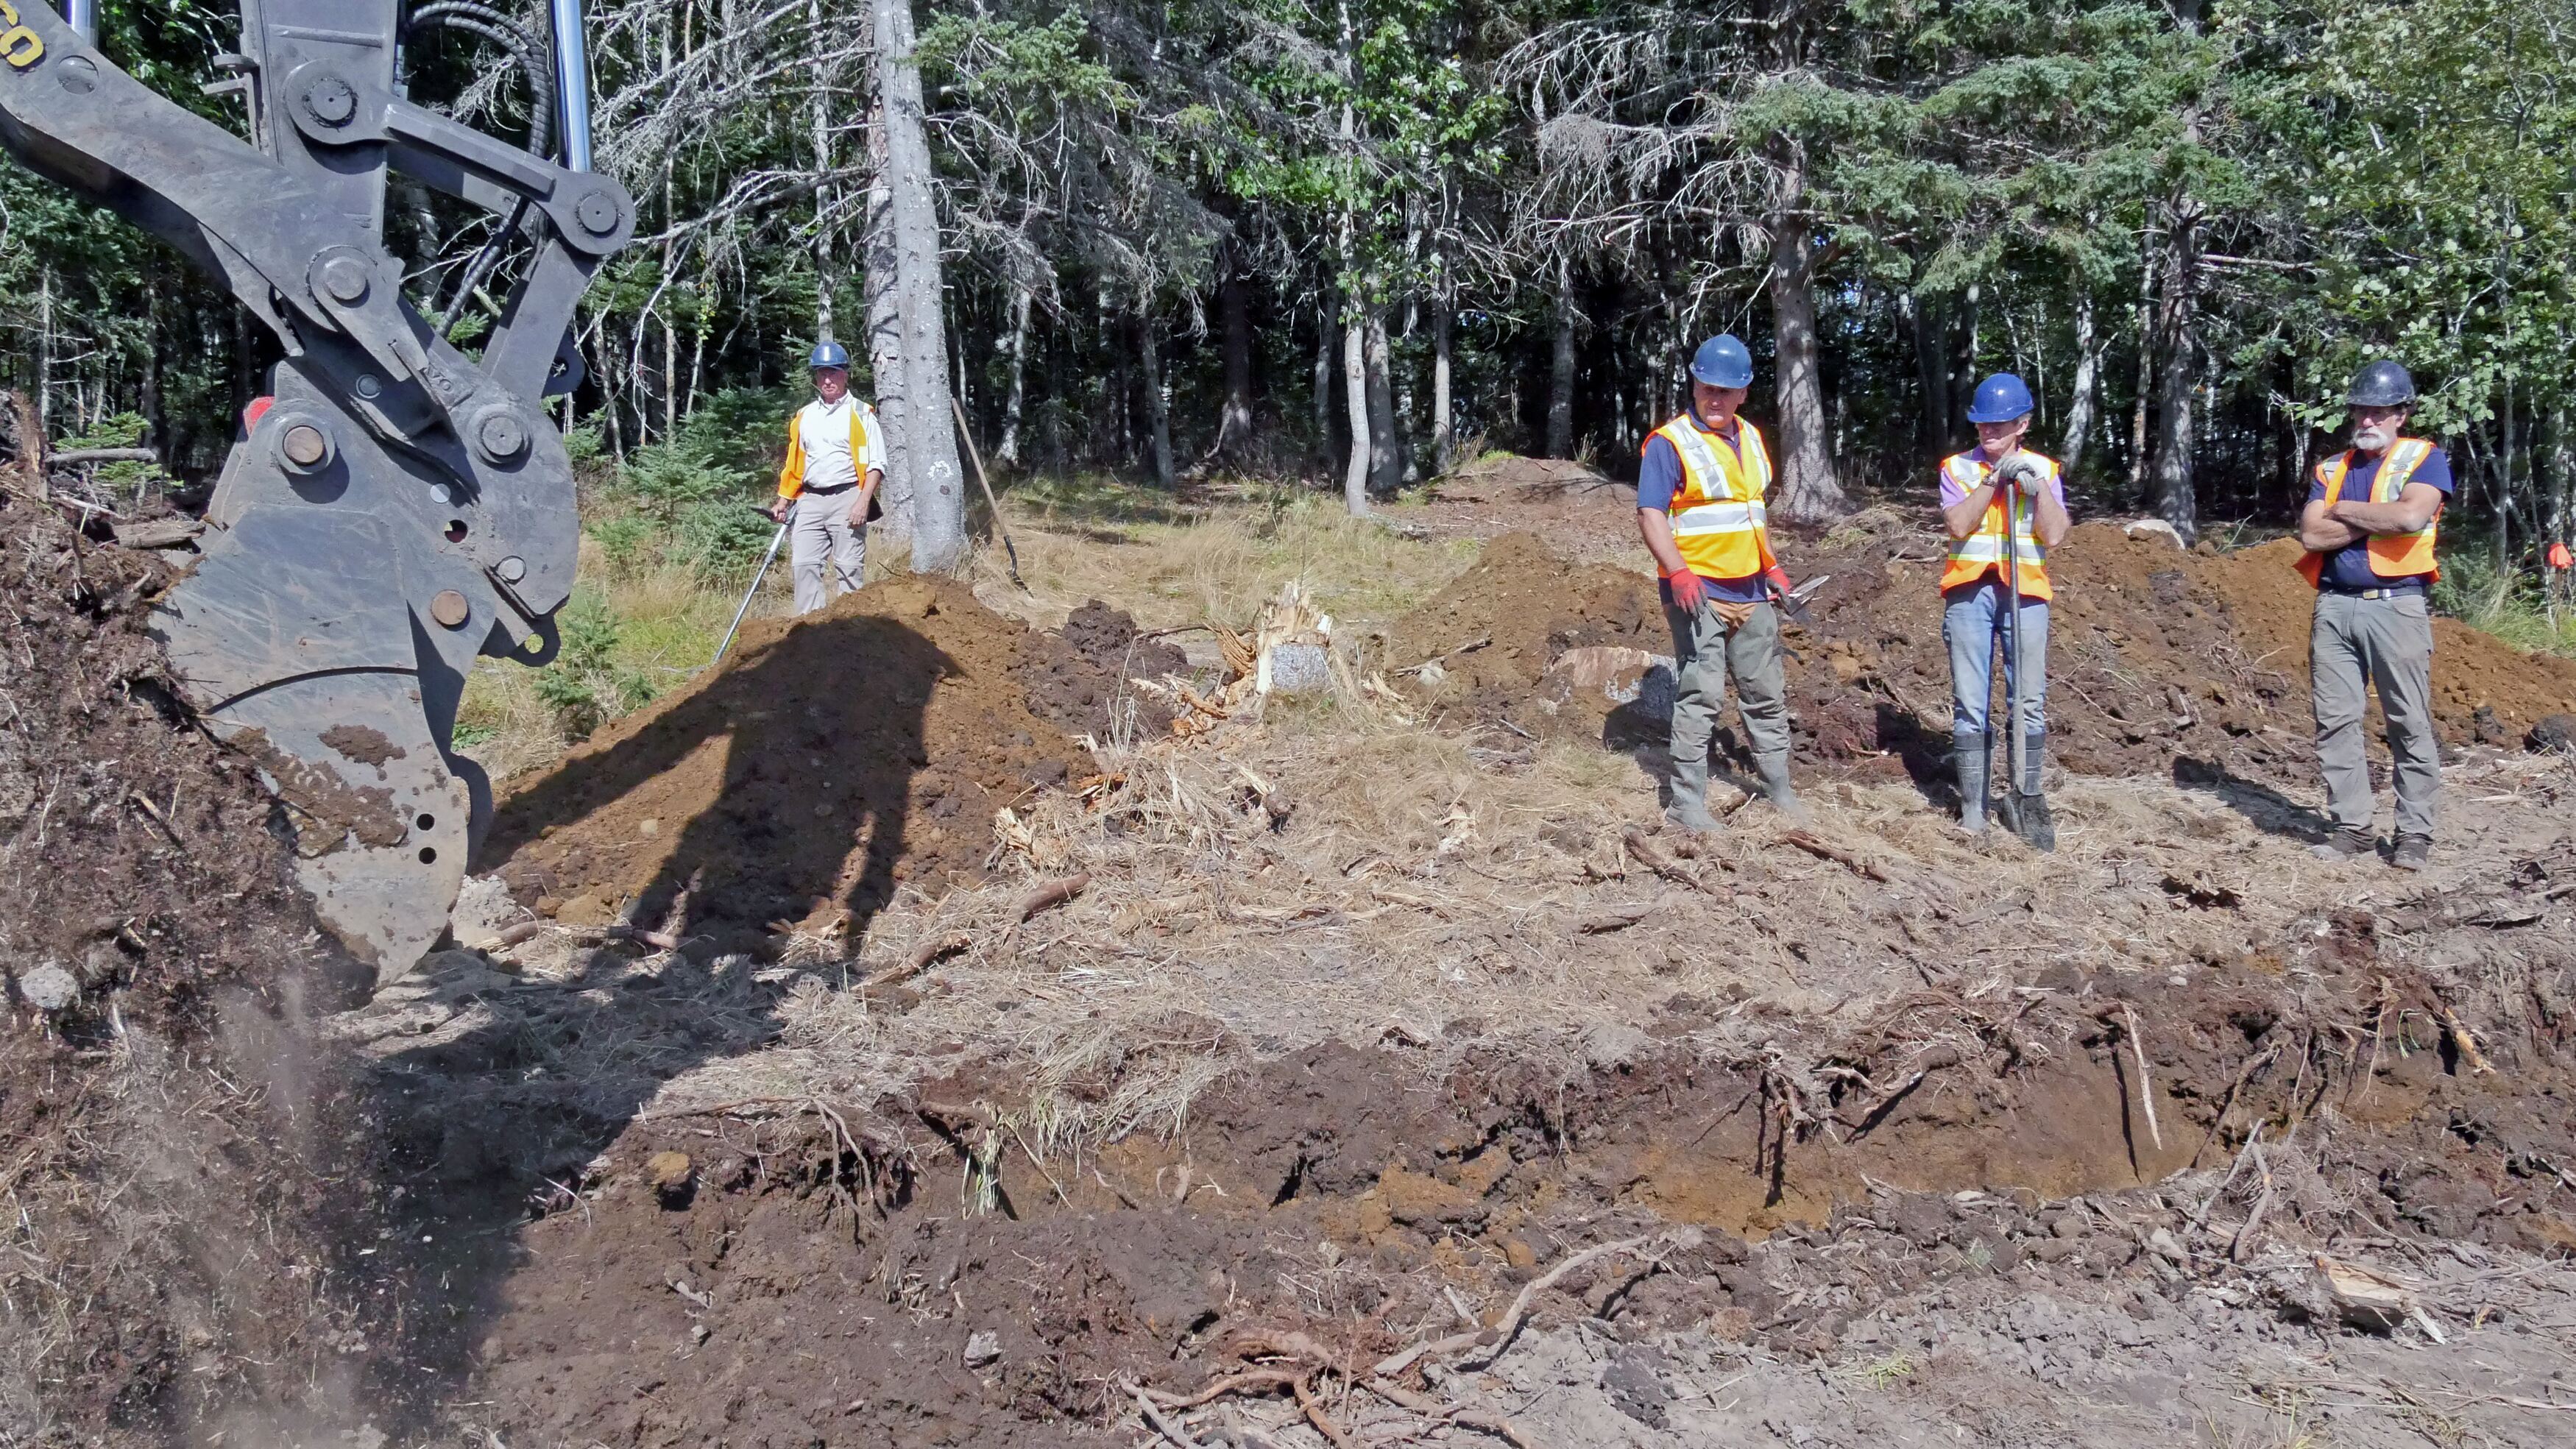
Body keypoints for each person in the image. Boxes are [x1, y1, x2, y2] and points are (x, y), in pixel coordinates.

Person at [1636, 333, 1805, 829]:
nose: (1715, 397)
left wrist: (1771, 566)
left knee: (1765, 691)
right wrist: (1679, 571)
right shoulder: (1670, 443)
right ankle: (1687, 803)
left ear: (1744, 393)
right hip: (1698, 590)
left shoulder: (1751, 439)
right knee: (1701, 693)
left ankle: (1779, 787)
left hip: (1751, 588)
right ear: (1694, 382)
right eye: (1707, 386)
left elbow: (1753, 514)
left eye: (1725, 390)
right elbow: (1650, 514)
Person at [2296, 359, 2451, 871]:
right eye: (2361, 409)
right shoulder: (2329, 468)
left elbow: (2410, 515)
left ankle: (2414, 834)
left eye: (2379, 411)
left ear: (2401, 414)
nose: (2367, 419)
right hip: (2335, 605)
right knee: (2336, 721)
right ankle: (2353, 827)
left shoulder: (2424, 459)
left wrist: (2341, 510)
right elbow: (2312, 536)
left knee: (2407, 721)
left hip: (2398, 606)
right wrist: (2374, 521)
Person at [1938, 373, 2071, 849]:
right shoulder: (1957, 468)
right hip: (1970, 592)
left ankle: (2026, 794)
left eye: (1999, 425)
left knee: (2029, 701)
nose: (1989, 433)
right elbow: (1957, 523)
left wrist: (2036, 489)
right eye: (1982, 425)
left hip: (2027, 592)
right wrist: (1995, 481)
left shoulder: (2045, 469)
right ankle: (1973, 807)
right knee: (1971, 704)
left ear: (2022, 423)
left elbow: (2054, 535)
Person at [772, 341, 886, 614]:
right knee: (804, 567)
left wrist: (863, 501)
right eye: (822, 373)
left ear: (845, 375)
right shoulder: (805, 416)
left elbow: (876, 464)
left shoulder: (861, 414)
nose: (828, 379)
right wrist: (783, 501)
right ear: (816, 377)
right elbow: (795, 463)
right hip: (810, 499)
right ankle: (810, 635)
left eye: (833, 373)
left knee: (848, 570)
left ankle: (851, 634)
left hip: (848, 497)